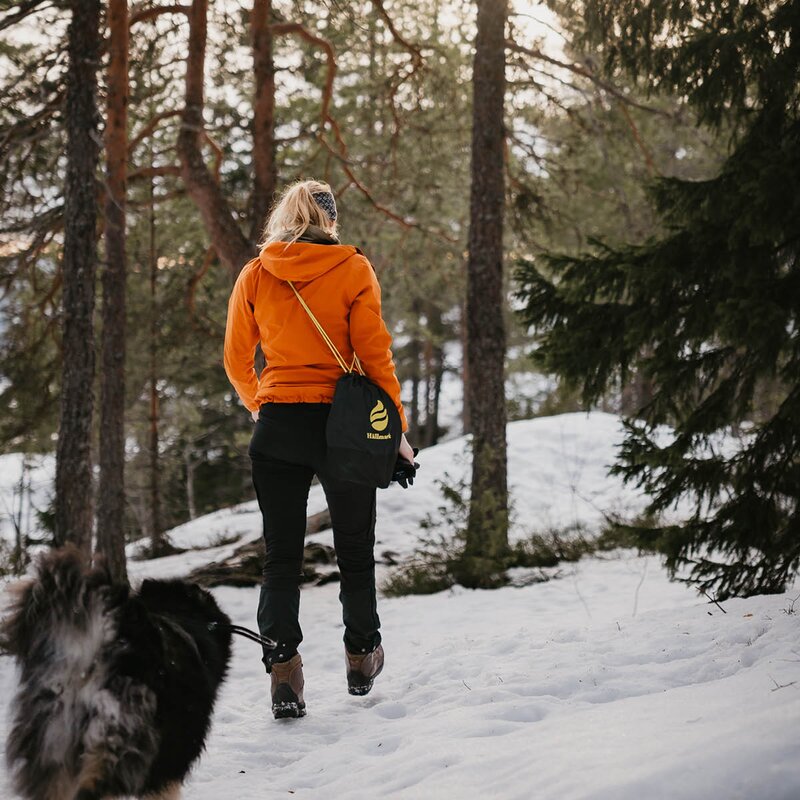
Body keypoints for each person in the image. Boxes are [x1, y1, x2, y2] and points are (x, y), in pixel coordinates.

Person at [223, 178, 415, 719]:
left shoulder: (256, 274)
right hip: (343, 428)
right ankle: (360, 656)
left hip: (278, 424)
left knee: (280, 557)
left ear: (283, 217)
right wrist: (395, 431)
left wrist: (262, 406)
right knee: (355, 550)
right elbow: (375, 359)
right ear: (330, 222)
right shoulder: (353, 269)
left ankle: (284, 673)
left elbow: (237, 359)